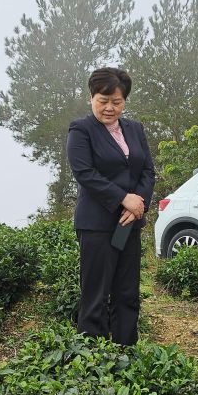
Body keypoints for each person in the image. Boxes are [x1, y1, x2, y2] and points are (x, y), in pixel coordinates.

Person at [66, 67, 155, 346]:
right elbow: (85, 173)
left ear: (124, 101)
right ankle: (93, 356)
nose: (109, 108)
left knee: (127, 292)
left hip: (129, 222)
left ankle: (126, 350)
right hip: (97, 224)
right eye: (103, 101)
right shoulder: (81, 130)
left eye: (116, 102)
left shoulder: (134, 129)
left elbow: (147, 171)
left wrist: (138, 203)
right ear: (91, 98)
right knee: (96, 293)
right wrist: (122, 198)